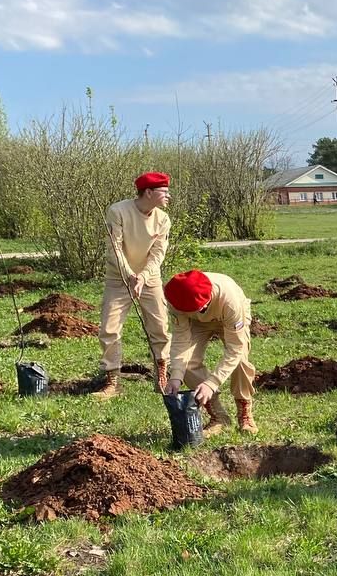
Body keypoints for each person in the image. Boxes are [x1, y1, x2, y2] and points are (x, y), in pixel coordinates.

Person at [96, 172, 173, 399]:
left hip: (149, 279)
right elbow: (115, 249)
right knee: (109, 328)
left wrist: (142, 277)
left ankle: (161, 375)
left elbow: (158, 254)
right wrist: (129, 275)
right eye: (164, 191)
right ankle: (113, 381)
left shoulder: (163, 219)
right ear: (148, 192)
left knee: (159, 327)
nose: (168, 195)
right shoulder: (118, 211)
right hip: (119, 278)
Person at [162, 269, 258, 434]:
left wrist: (212, 383)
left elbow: (235, 348)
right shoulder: (176, 298)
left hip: (228, 318)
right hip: (197, 323)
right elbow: (180, 338)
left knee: (240, 360)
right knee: (187, 364)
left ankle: (244, 411)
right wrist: (176, 376)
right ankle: (218, 415)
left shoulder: (229, 301)